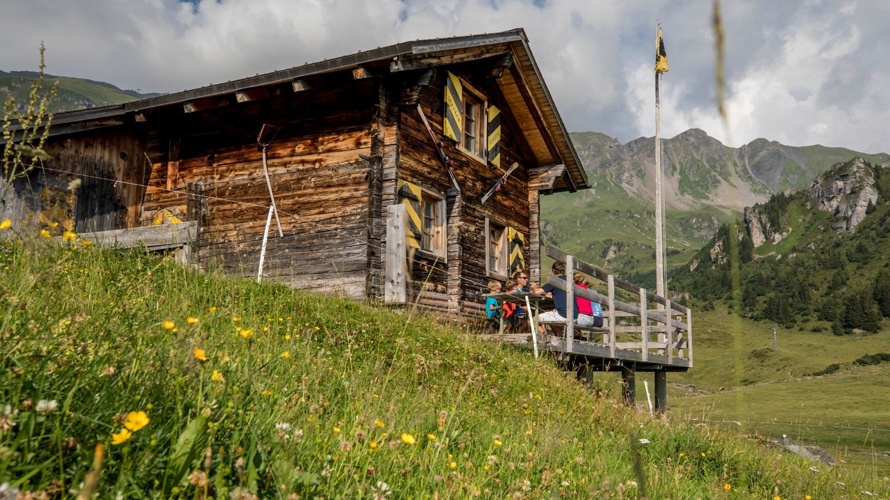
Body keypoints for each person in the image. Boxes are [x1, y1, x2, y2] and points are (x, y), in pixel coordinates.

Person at [530, 261, 577, 334]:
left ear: (553, 271)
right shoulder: (570, 281)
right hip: (574, 315)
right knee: (552, 320)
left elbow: (537, 292)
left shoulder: (554, 281)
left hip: (563, 315)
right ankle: (560, 338)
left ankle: (545, 334)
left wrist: (534, 286)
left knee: (533, 320)